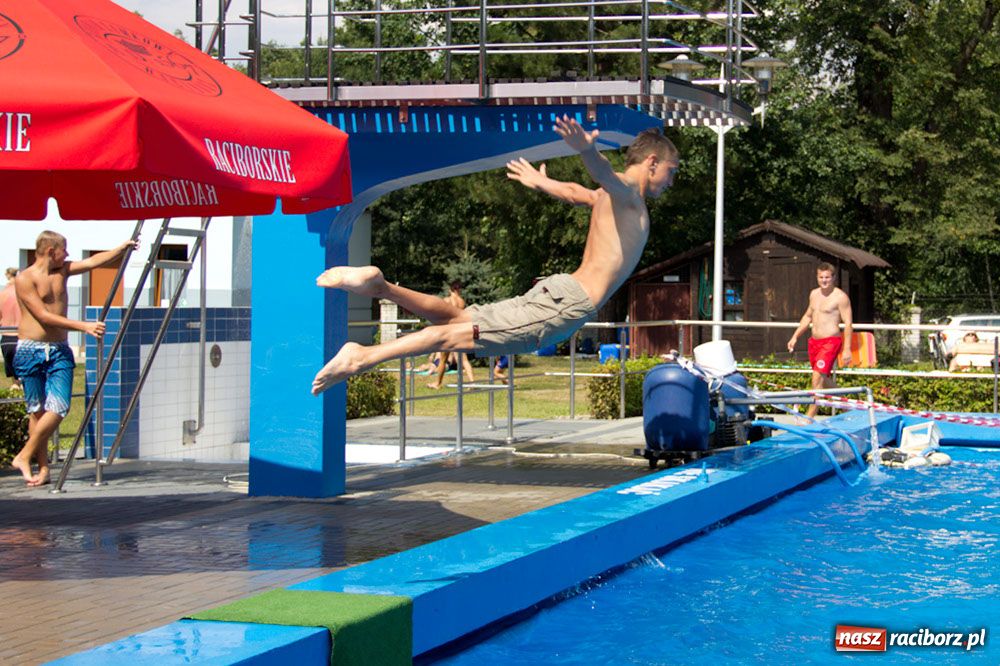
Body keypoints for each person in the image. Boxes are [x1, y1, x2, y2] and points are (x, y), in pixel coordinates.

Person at [311, 115, 679, 394]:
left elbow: (576, 192)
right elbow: (605, 176)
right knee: (454, 336)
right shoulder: (628, 195)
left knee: (457, 317)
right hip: (568, 304)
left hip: (560, 294)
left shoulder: (611, 200)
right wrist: (586, 150)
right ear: (651, 162)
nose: (671, 181)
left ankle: (381, 287)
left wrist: (542, 181)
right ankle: (362, 356)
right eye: (670, 171)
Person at [10, 231, 139, 487]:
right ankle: (43, 469)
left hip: (58, 349)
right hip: (30, 350)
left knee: (59, 407)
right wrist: (84, 326)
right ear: (51, 251)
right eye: (64, 250)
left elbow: (93, 262)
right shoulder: (25, 279)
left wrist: (121, 249)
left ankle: (24, 455)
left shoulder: (63, 271)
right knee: (37, 412)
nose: (67, 254)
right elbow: (43, 316)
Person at [786, 262, 853, 420]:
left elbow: (848, 323)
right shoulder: (814, 294)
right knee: (824, 380)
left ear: (833, 278)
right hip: (814, 342)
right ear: (817, 277)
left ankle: (809, 418)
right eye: (821, 277)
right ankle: (847, 406)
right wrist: (795, 336)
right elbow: (807, 316)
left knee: (816, 379)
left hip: (830, 342)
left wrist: (847, 349)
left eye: (827, 277)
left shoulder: (840, 297)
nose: (824, 280)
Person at [427, 281, 476, 388]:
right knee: (464, 360)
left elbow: (441, 315)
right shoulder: (462, 301)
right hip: (459, 331)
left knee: (443, 359)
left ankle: (438, 383)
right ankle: (472, 382)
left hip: (449, 332)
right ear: (459, 290)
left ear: (450, 290)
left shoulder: (447, 300)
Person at [0, 267, 21, 391]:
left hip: (7, 335)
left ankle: (16, 385)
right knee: (25, 370)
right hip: (23, 334)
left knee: (14, 378)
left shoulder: (2, 294)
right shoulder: (23, 293)